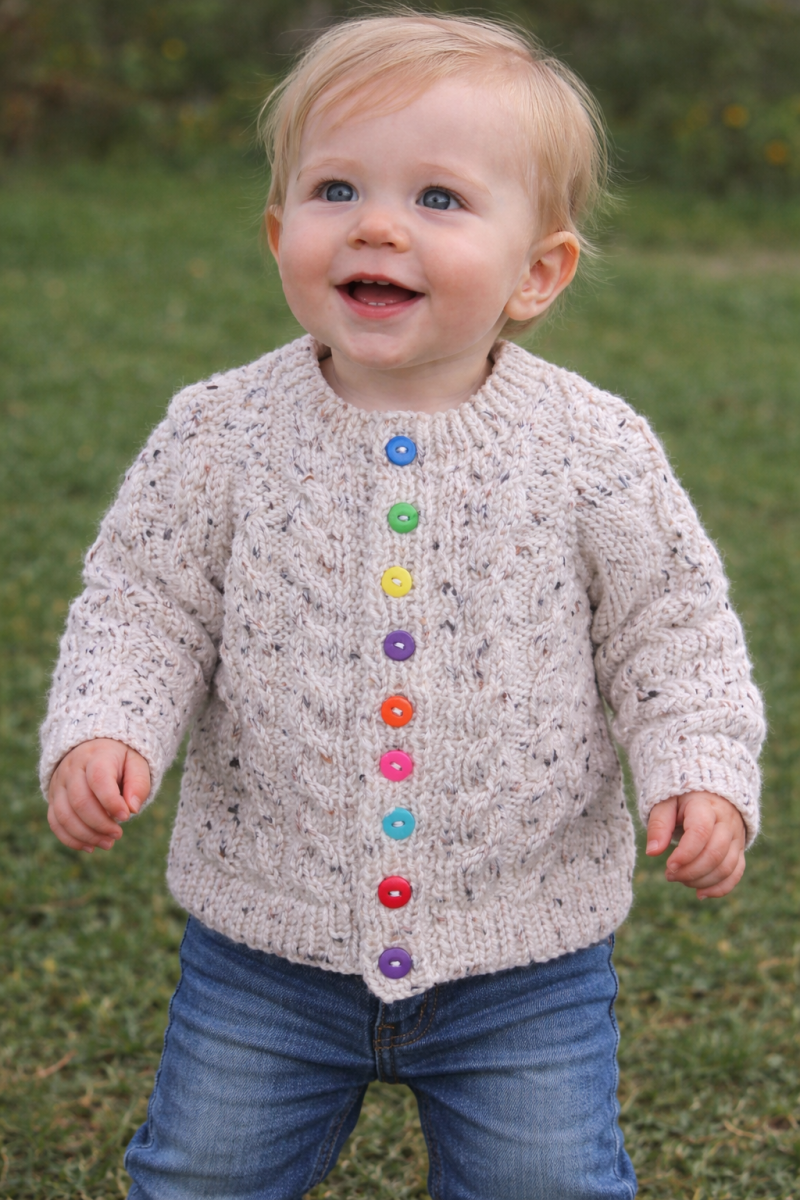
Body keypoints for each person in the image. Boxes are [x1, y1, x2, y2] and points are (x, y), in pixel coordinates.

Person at [40, 12, 765, 1200]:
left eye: (438, 198)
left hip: (523, 956)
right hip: (263, 950)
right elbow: (142, 602)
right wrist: (106, 723)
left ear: (538, 271)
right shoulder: (217, 433)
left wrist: (697, 762)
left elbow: (669, 630)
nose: (376, 224)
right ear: (280, 233)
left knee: (547, 1186)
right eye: (335, 189)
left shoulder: (592, 450)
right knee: (200, 1178)